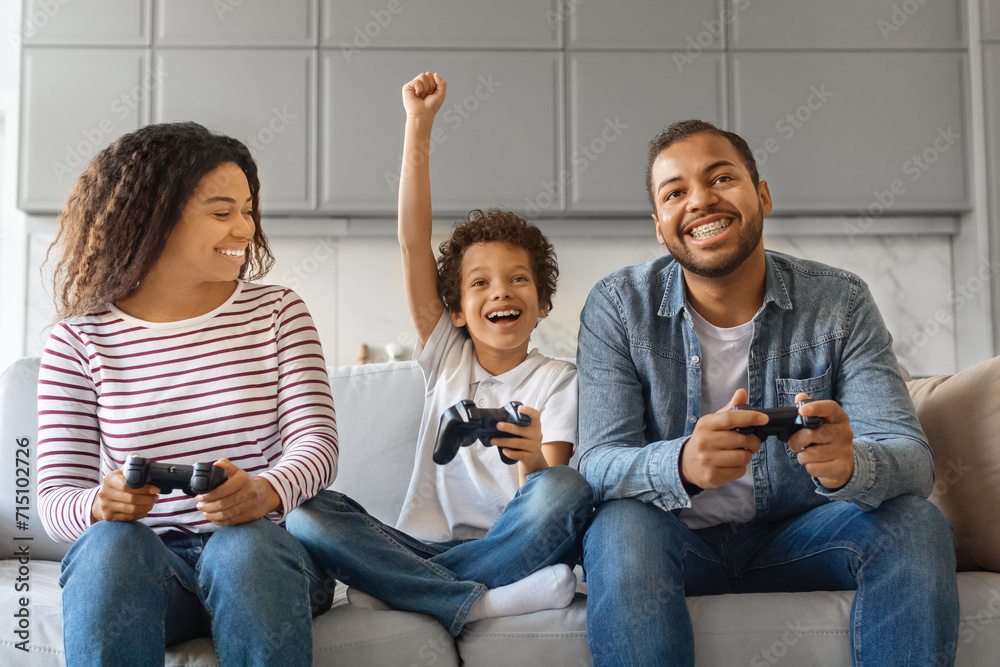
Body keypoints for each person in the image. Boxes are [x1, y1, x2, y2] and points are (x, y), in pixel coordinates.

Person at [576, 119, 959, 666]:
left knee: (917, 524)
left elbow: (912, 461)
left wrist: (851, 465)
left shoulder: (841, 301)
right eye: (675, 192)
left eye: (721, 178)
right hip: (675, 542)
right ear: (660, 226)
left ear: (762, 196)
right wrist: (681, 463)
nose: (701, 201)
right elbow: (596, 465)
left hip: (800, 536)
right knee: (620, 528)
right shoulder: (618, 307)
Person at [286, 72, 594, 636]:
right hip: (420, 542)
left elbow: (551, 496)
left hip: (513, 542)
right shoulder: (447, 356)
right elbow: (412, 242)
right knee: (308, 511)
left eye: (518, 279)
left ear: (543, 302)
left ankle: (412, 588)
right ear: (455, 310)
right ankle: (479, 601)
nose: (500, 291)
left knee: (566, 487)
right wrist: (418, 125)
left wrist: (530, 457)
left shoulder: (559, 381)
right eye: (479, 284)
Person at [36, 122, 339, 667]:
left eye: (248, 210)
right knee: (108, 546)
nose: (245, 229)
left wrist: (265, 492)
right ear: (152, 217)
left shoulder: (278, 313)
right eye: (222, 213)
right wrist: (99, 504)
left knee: (242, 546)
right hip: (152, 576)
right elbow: (56, 498)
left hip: (266, 561)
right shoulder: (79, 339)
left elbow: (316, 443)